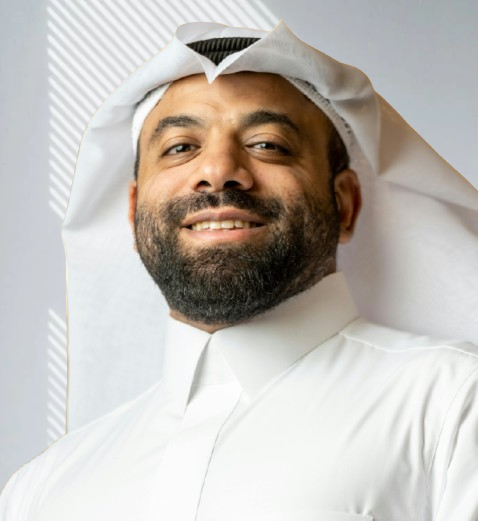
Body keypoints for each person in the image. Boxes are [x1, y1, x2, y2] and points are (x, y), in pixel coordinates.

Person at [1, 21, 478, 521]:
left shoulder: (452, 407)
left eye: (268, 143)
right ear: (135, 209)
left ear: (344, 204)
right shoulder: (43, 488)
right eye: (181, 147)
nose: (219, 170)